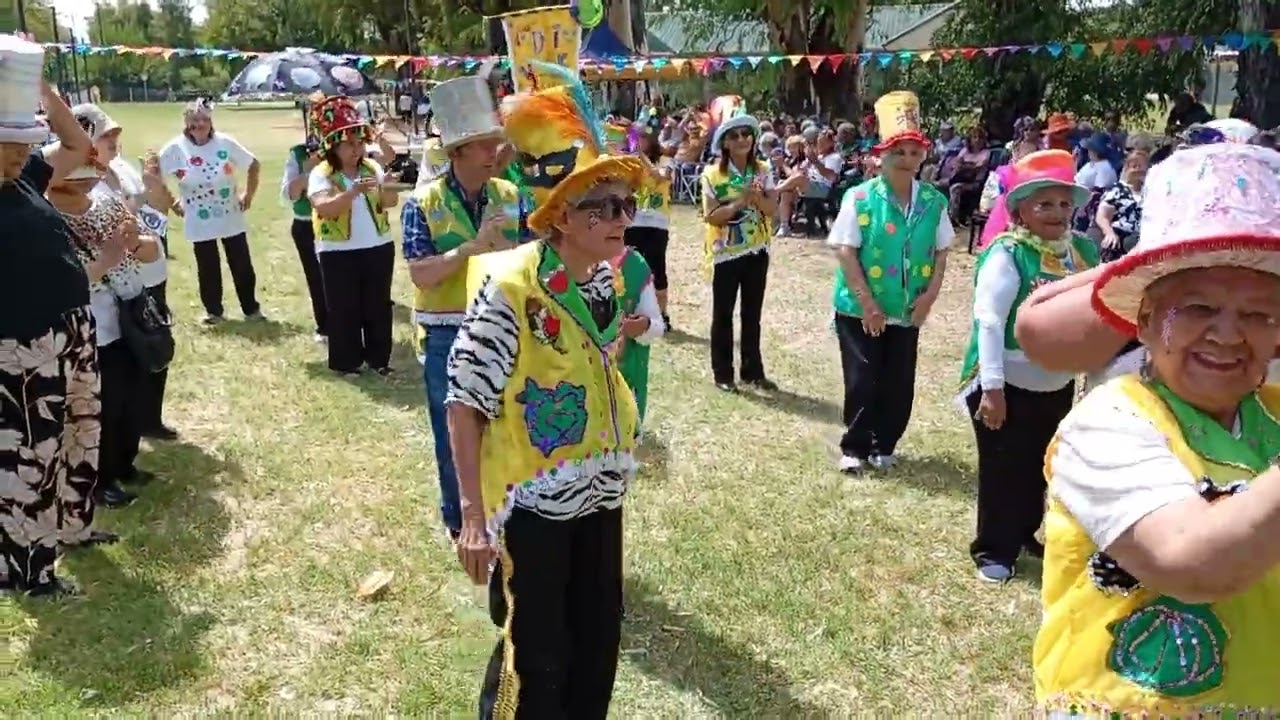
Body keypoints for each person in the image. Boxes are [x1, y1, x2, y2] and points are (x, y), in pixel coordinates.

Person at [1034, 143, 1280, 716]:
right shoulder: (1108, 422)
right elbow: (1192, 562)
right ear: (1145, 322)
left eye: (1258, 315)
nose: (1227, 334)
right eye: (1196, 308)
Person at [447, 151, 645, 718]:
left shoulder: (603, 279)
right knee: (537, 653)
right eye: (601, 207)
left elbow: (596, 357)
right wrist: (472, 518)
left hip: (602, 492)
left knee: (598, 638)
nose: (620, 218)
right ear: (559, 216)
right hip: (531, 504)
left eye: (625, 204)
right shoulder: (511, 287)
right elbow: (464, 401)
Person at [957, 150, 1098, 584]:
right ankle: (993, 549)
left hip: (1056, 382)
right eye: (1045, 204)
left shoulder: (1082, 251)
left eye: (1064, 203)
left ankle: (1022, 534)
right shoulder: (1009, 252)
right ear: (1019, 210)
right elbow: (990, 320)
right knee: (1003, 467)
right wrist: (993, 389)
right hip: (1007, 381)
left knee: (1041, 463)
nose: (1057, 213)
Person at [0, 34, 104, 596]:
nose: (22, 151)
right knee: (27, 458)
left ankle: (73, 528)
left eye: (22, 142)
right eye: (9, 142)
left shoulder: (23, 180)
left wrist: (32, 87)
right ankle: (27, 571)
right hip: (20, 346)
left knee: (77, 437)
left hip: (70, 331)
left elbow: (77, 141)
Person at [400, 76, 526, 540]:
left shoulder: (512, 197)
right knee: (454, 430)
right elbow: (421, 274)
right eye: (481, 144)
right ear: (456, 152)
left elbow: (532, 258)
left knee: (506, 422)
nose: (494, 150)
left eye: (495, 141)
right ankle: (460, 521)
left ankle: (504, 509)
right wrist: (470, 249)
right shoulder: (422, 203)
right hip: (444, 333)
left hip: (503, 324)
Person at [827, 91, 952, 473]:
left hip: (908, 307)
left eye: (915, 153)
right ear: (881, 156)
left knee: (899, 382)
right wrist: (868, 304)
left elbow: (942, 251)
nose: (908, 160)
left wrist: (930, 296)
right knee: (863, 378)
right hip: (861, 308)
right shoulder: (860, 198)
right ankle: (856, 447)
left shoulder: (934, 201)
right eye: (900, 152)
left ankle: (886, 443)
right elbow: (846, 251)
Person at [45, 139, 163, 513]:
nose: (85, 179)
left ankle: (124, 465)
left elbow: (152, 249)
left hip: (128, 317)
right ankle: (100, 480)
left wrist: (134, 243)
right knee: (99, 408)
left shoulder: (108, 202)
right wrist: (105, 260)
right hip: (87, 327)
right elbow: (60, 281)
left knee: (130, 397)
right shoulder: (46, 217)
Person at [79, 103, 179, 442]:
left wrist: (156, 199)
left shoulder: (122, 169)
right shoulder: (76, 185)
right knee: (122, 372)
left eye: (115, 134)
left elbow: (152, 217)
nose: (113, 139)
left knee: (152, 352)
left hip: (148, 276)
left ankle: (149, 421)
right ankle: (122, 447)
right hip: (116, 290)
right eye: (105, 134)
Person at [307, 95, 400, 376]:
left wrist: (389, 189)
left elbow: (389, 204)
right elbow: (324, 207)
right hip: (337, 251)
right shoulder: (321, 174)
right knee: (344, 307)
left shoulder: (371, 167)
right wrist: (352, 192)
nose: (356, 149)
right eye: (349, 144)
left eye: (360, 143)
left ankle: (379, 360)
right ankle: (347, 362)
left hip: (378, 246)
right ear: (333, 146)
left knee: (378, 305)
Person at [157, 98, 264, 325]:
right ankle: (214, 311)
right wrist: (172, 202)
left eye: (204, 119)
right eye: (194, 120)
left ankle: (251, 308)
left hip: (229, 213)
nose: (200, 124)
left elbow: (254, 164)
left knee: (241, 262)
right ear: (187, 123)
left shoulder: (224, 142)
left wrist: (249, 195)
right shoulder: (176, 148)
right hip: (199, 216)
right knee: (207, 266)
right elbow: (154, 174)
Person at [700, 112, 779, 392]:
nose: (742, 139)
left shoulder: (762, 170)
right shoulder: (712, 174)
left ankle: (752, 371)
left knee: (751, 313)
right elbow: (712, 216)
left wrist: (756, 197)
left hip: (757, 249)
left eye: (746, 134)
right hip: (726, 253)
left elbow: (772, 210)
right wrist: (739, 202)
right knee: (723, 314)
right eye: (734, 136)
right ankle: (723, 374)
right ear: (724, 143)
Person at [281, 118, 328, 343]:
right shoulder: (298, 154)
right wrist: (307, 174)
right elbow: (289, 194)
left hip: (337, 221)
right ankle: (325, 326)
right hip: (306, 224)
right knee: (316, 276)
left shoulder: (344, 148)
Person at [610, 246, 666, 430]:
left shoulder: (634, 267)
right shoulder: (562, 262)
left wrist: (643, 326)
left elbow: (657, 326)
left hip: (623, 384)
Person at [626, 128, 675, 329]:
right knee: (629, 267)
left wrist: (640, 156)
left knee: (657, 269)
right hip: (633, 222)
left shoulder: (665, 161)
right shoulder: (630, 164)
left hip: (656, 223)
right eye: (637, 138)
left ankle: (662, 314)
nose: (640, 141)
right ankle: (629, 311)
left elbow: (661, 176)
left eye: (644, 137)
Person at [1095, 150, 1149, 263]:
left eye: (1142, 167)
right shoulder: (1117, 190)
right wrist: (1109, 233)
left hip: (1145, 239)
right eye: (1135, 166)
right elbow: (1102, 216)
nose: (1139, 170)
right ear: (1127, 168)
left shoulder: (1150, 191)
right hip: (1122, 238)